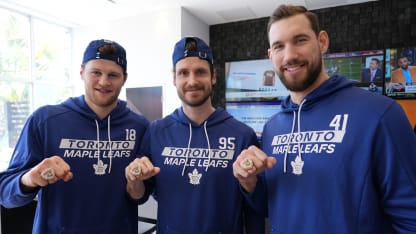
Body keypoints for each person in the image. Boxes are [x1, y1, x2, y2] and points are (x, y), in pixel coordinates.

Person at [232, 5, 416, 234]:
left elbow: (410, 217)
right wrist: (249, 182)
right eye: (279, 46)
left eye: (300, 40)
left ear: (322, 42)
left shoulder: (380, 114)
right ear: (271, 56)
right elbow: (272, 207)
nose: (289, 55)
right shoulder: (273, 128)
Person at [0, 39, 149, 234]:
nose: (104, 82)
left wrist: (135, 180)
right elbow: (6, 194)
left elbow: (139, 196)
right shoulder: (45, 120)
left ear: (124, 78)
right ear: (82, 73)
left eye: (113, 75)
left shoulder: (140, 126)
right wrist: (30, 178)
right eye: (96, 72)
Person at [125, 36, 264, 233]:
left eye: (200, 72)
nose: (192, 81)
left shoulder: (242, 135)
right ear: (174, 79)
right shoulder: (156, 132)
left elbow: (255, 207)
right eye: (183, 73)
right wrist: (133, 178)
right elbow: (139, 195)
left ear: (213, 76)